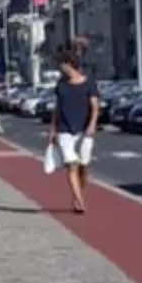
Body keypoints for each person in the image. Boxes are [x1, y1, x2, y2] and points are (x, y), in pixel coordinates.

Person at [46, 50, 101, 214]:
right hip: (64, 129)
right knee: (71, 165)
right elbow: (57, 108)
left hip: (84, 129)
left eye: (62, 64)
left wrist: (92, 125)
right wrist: (53, 129)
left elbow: (95, 107)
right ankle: (79, 200)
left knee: (83, 165)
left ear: (69, 64)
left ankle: (79, 192)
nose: (60, 68)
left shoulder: (89, 83)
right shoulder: (61, 84)